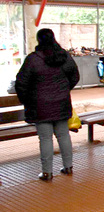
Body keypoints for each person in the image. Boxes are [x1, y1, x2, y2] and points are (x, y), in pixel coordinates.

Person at [15, 28, 80, 181]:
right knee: (64, 135)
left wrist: (28, 99)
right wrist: (64, 90)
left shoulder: (33, 59)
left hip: (40, 106)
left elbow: (21, 83)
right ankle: (68, 167)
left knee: (45, 139)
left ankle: (47, 173)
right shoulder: (64, 56)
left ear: (39, 40)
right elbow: (75, 76)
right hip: (61, 103)